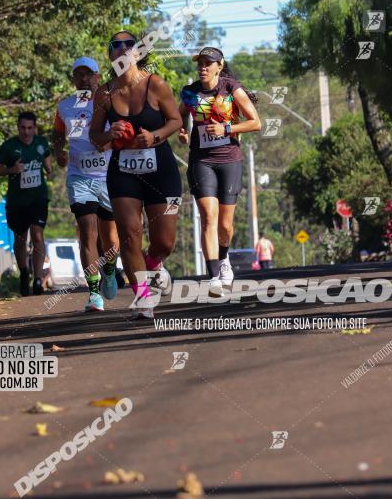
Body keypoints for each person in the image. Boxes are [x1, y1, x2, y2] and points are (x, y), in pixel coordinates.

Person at [90, 31, 182, 319]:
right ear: (110, 55)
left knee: (165, 242)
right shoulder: (104, 94)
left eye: (128, 45)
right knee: (130, 236)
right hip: (123, 172)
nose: (121, 49)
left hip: (161, 169)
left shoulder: (156, 85)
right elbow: (94, 137)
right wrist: (109, 133)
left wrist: (154, 137)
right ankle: (143, 298)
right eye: (114, 45)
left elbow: (176, 120)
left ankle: (154, 264)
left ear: (138, 53)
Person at [179, 47, 261, 297]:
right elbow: (179, 117)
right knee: (208, 216)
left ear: (219, 65)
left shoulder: (231, 89)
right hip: (201, 160)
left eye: (208, 63)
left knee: (225, 226)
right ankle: (213, 275)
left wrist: (226, 130)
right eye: (200, 63)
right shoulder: (191, 92)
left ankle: (223, 258)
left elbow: (256, 123)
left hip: (229, 161)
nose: (202, 67)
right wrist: (183, 131)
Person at [52, 56, 120, 312]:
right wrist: (59, 152)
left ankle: (110, 268)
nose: (83, 79)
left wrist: (110, 142)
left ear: (98, 76)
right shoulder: (65, 107)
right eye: (78, 75)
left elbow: (122, 130)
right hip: (79, 177)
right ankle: (93, 293)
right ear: (73, 79)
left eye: (88, 74)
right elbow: (57, 134)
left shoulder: (110, 102)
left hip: (108, 177)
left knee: (111, 239)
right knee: (87, 231)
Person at [0, 111, 52, 296]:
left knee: (37, 235)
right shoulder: (9, 146)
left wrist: (49, 169)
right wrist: (11, 169)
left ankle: (38, 278)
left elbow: (48, 158)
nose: (26, 132)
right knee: (20, 239)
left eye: (30, 128)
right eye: (23, 128)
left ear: (35, 128)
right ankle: (24, 272)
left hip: (38, 197)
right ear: (18, 128)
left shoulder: (41, 143)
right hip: (17, 201)